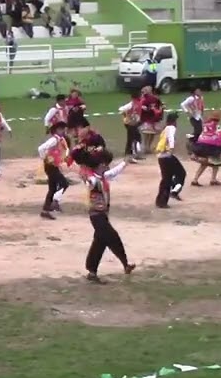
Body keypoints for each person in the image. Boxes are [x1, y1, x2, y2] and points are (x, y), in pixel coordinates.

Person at [73, 146, 137, 284]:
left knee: (100, 243)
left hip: (101, 215)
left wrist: (124, 163)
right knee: (112, 238)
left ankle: (92, 271)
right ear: (101, 164)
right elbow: (90, 181)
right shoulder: (94, 179)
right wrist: (86, 176)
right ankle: (125, 264)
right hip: (97, 216)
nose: (108, 167)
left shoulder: (100, 176)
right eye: (106, 164)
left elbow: (113, 173)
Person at [189, 111, 221, 186]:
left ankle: (197, 179)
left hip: (199, 146)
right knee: (216, 161)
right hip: (210, 147)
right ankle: (211, 179)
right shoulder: (218, 126)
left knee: (207, 163)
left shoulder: (205, 125)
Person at [37, 122, 70, 220]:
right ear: (57, 130)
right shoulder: (54, 140)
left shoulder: (60, 139)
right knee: (64, 183)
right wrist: (45, 159)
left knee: (52, 188)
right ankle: (54, 202)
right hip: (50, 166)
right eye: (62, 129)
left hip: (53, 166)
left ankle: (46, 209)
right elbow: (41, 148)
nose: (64, 131)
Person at [154, 112, 186, 208]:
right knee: (180, 174)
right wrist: (171, 149)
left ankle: (161, 200)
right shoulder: (171, 128)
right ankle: (173, 192)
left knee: (166, 178)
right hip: (167, 156)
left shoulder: (166, 128)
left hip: (162, 156)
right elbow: (171, 138)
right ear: (174, 121)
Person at [118, 90, 144, 159]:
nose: (142, 96)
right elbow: (121, 109)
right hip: (130, 124)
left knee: (134, 138)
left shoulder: (137, 103)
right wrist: (125, 114)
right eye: (140, 95)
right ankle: (131, 153)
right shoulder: (131, 104)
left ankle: (130, 153)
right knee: (134, 138)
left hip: (133, 123)